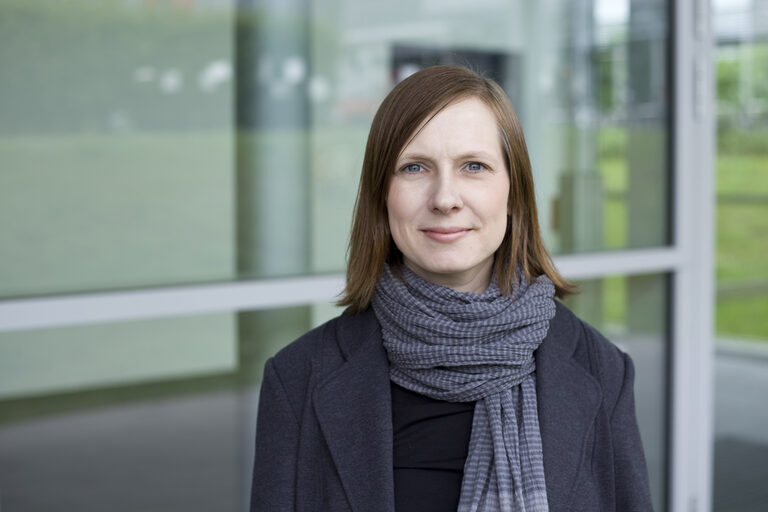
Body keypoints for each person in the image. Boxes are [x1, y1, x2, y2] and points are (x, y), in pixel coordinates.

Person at [250, 65, 653, 512]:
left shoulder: (603, 372)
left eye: (473, 166)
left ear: (514, 194)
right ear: (381, 196)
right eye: (415, 167)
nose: (445, 198)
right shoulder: (297, 379)